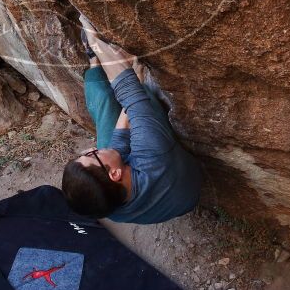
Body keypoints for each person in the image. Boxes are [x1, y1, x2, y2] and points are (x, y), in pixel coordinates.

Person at [61, 18, 203, 223]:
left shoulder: (107, 205)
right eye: (92, 155)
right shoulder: (153, 154)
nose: (89, 149)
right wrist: (94, 40)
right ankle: (96, 58)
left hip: (176, 199)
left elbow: (118, 143)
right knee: (122, 97)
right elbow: (128, 88)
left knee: (115, 108)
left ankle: (94, 63)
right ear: (116, 174)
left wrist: (131, 99)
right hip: (171, 170)